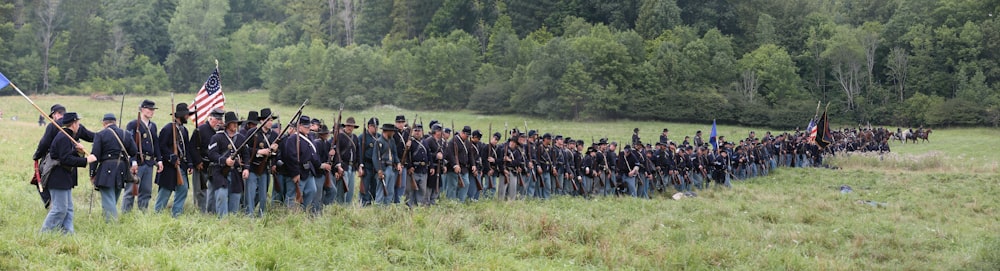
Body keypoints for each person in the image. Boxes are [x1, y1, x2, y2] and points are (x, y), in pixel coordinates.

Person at [41, 112, 98, 234]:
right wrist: (86, 160)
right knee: (59, 209)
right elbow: (65, 159)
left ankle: (67, 233)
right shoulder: (63, 137)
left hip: (65, 178)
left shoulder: (69, 137)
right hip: (57, 178)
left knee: (69, 209)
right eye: (78, 123)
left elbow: (68, 155)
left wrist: (79, 152)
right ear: (74, 124)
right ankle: (44, 233)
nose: (79, 125)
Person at [33, 104, 95, 209]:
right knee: (65, 187)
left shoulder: (53, 125)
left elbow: (44, 144)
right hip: (71, 164)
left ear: (56, 114)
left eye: (52, 116)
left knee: (42, 181)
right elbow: (92, 137)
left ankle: (51, 204)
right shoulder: (77, 126)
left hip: (55, 162)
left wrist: (36, 156)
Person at [89, 113, 138, 222]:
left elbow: (94, 156)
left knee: (108, 199)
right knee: (112, 199)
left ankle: (111, 224)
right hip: (122, 169)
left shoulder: (100, 135)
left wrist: (92, 173)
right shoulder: (126, 134)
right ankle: (107, 221)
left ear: (104, 123)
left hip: (106, 169)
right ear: (115, 122)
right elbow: (134, 151)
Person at [154, 103, 194, 217]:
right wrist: (172, 157)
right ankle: (158, 215)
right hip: (169, 167)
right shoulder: (168, 129)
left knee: (183, 189)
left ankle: (176, 214)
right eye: (185, 114)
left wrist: (190, 164)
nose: (187, 116)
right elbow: (161, 146)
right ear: (179, 115)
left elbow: (187, 148)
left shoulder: (184, 130)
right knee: (165, 192)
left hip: (181, 165)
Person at [207, 112, 248, 217]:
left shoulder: (241, 139)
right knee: (221, 195)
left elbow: (246, 156)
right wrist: (224, 160)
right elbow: (211, 154)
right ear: (227, 125)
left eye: (236, 123)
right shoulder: (217, 137)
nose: (235, 125)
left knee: (235, 198)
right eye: (233, 123)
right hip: (220, 172)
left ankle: (232, 222)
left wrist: (246, 169)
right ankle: (222, 221)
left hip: (236, 173)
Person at [124, 100, 161, 213]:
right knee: (131, 191)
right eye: (149, 109)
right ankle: (126, 214)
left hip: (149, 163)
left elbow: (156, 144)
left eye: (153, 109)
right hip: (138, 163)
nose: (151, 111)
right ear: (142, 109)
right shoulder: (133, 125)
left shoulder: (152, 126)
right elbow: (129, 144)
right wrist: (133, 161)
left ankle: (143, 213)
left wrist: (159, 160)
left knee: (146, 191)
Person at [282, 116, 324, 212]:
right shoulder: (292, 139)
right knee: (293, 196)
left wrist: (319, 165)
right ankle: (291, 215)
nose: (308, 129)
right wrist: (295, 173)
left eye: (309, 127)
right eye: (306, 127)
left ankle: (303, 211)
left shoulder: (309, 138)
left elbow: (313, 154)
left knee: (312, 190)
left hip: (308, 170)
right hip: (298, 172)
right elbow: (290, 157)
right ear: (299, 126)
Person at [190, 108, 224, 213]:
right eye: (217, 119)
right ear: (210, 118)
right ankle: (200, 212)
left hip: (214, 166)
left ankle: (212, 212)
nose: (219, 122)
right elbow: (192, 148)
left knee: (214, 190)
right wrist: (197, 162)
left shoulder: (221, 132)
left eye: (220, 119)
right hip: (201, 164)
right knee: (200, 191)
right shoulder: (200, 130)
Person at [245, 109, 277, 216]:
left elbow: (278, 152)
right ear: (262, 120)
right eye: (268, 120)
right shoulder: (252, 133)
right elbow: (244, 149)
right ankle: (249, 214)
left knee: (263, 195)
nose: (270, 123)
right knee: (250, 193)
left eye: (271, 120)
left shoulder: (273, 135)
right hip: (253, 167)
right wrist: (258, 151)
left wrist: (274, 150)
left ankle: (261, 215)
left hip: (265, 168)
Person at [333, 117, 360, 205]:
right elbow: (336, 152)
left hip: (352, 167)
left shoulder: (355, 137)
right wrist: (338, 166)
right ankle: (339, 208)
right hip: (343, 167)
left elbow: (358, 152)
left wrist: (359, 166)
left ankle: (347, 209)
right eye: (348, 126)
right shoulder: (340, 136)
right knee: (341, 192)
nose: (350, 128)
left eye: (352, 126)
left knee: (350, 192)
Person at [373, 123, 400, 205]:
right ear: (387, 131)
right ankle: (378, 208)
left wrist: (398, 162)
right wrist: (379, 170)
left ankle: (387, 208)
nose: (393, 133)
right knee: (381, 190)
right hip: (383, 168)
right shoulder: (379, 142)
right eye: (392, 131)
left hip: (391, 167)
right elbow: (375, 158)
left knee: (390, 191)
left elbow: (395, 154)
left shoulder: (392, 141)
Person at [405, 124, 430, 207]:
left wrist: (432, 167)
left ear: (422, 132)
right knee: (410, 190)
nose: (417, 132)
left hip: (423, 169)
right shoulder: (410, 142)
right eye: (415, 130)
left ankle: (419, 206)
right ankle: (410, 207)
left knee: (422, 190)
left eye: (419, 131)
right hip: (413, 169)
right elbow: (406, 156)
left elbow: (428, 155)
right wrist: (409, 166)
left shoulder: (425, 142)